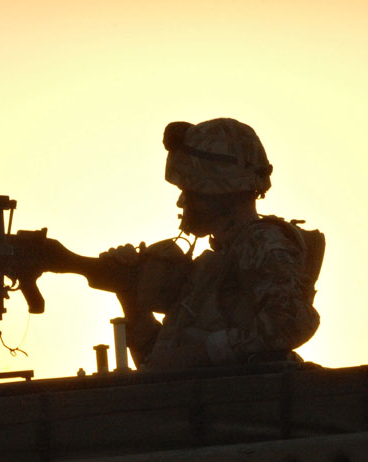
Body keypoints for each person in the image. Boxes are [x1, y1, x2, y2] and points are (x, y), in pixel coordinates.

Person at [47, 117, 323, 370]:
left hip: (241, 411)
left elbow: (292, 322)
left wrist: (210, 349)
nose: (182, 201)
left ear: (220, 189)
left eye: (191, 189)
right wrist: (130, 297)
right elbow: (160, 367)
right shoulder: (210, 266)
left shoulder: (263, 243)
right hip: (198, 414)